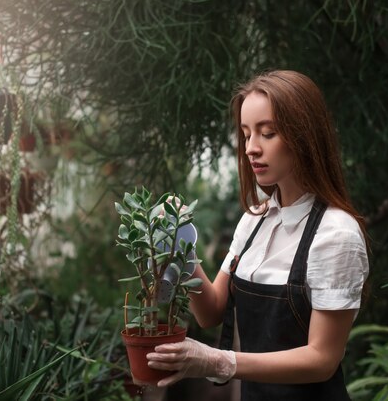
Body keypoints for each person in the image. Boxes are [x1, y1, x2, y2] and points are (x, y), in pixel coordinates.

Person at [146, 70, 369, 400]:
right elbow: (211, 310)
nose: (251, 148)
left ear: (304, 135)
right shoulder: (255, 220)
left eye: (268, 133)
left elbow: (322, 359)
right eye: (246, 134)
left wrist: (219, 361)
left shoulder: (336, 235)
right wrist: (179, 248)